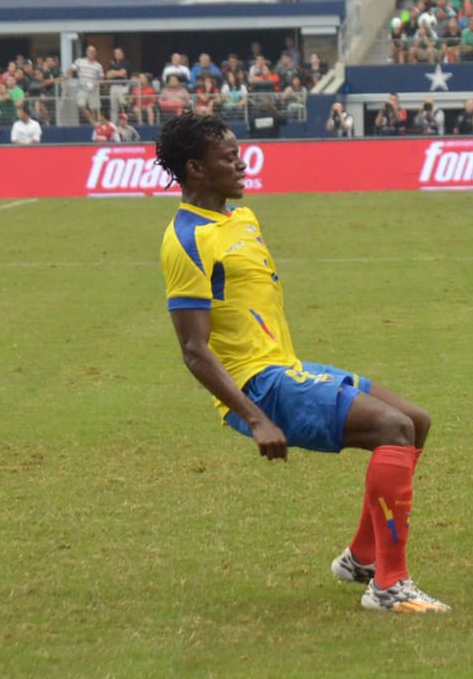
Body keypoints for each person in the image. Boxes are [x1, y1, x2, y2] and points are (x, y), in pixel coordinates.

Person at [155, 113, 449, 613]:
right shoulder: (187, 240)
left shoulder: (242, 219)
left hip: (284, 366)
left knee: (415, 421)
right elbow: (194, 350)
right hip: (258, 385)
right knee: (394, 429)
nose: (242, 164)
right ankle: (389, 586)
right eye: (228, 158)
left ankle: (362, 558)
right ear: (196, 169)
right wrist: (255, 417)